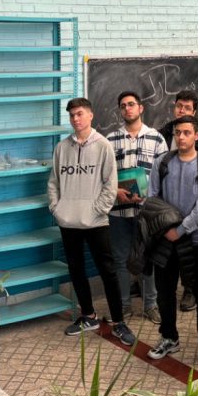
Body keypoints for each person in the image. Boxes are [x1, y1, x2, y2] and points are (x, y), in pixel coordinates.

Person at [48, 98, 136, 345]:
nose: (75, 119)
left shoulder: (103, 146)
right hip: (68, 221)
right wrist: (57, 209)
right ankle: (88, 316)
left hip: (96, 221)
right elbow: (53, 182)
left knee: (107, 271)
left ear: (90, 115)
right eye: (72, 115)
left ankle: (118, 322)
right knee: (76, 270)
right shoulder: (62, 148)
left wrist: (97, 210)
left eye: (79, 114)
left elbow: (110, 184)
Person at [145, 115, 198, 369]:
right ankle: (169, 337)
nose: (181, 137)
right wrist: (167, 229)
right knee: (165, 292)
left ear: (197, 135)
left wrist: (181, 229)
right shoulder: (162, 162)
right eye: (178, 132)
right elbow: (153, 198)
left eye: (187, 132)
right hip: (166, 240)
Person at [104, 91, 167, 323]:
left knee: (147, 258)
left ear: (141, 108)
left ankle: (150, 305)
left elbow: (164, 174)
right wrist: (115, 191)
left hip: (146, 211)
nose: (127, 109)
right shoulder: (110, 140)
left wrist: (150, 197)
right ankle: (124, 306)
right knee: (120, 259)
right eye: (123, 106)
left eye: (131, 104)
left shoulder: (156, 138)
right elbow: (104, 175)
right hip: (118, 211)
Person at [159, 89, 198, 310]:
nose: (181, 110)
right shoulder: (164, 133)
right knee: (170, 263)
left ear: (194, 112)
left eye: (187, 108)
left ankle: (190, 291)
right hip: (168, 215)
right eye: (179, 106)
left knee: (194, 264)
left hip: (195, 218)